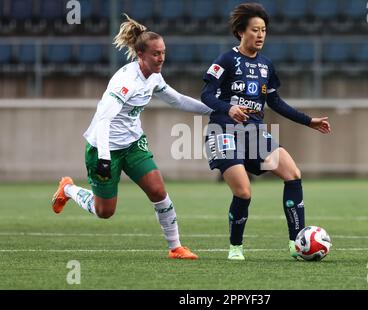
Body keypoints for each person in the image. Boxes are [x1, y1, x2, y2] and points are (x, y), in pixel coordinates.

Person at [51, 14, 212, 260]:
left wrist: (215, 109)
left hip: (133, 144)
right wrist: (104, 159)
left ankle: (175, 247)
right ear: (141, 55)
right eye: (156, 54)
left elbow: (177, 99)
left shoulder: (154, 77)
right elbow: (104, 121)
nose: (161, 58)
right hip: (103, 148)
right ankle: (69, 189)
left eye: (163, 53)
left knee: (158, 191)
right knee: (104, 212)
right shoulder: (125, 82)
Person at [201, 3, 331, 260]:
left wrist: (308, 121)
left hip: (254, 134)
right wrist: (229, 108)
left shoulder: (266, 66)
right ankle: (235, 247)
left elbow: (276, 102)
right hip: (224, 131)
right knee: (243, 191)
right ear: (240, 32)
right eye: (255, 30)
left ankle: (296, 243)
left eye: (264, 30)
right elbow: (205, 94)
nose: (260, 35)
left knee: (293, 174)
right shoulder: (226, 60)